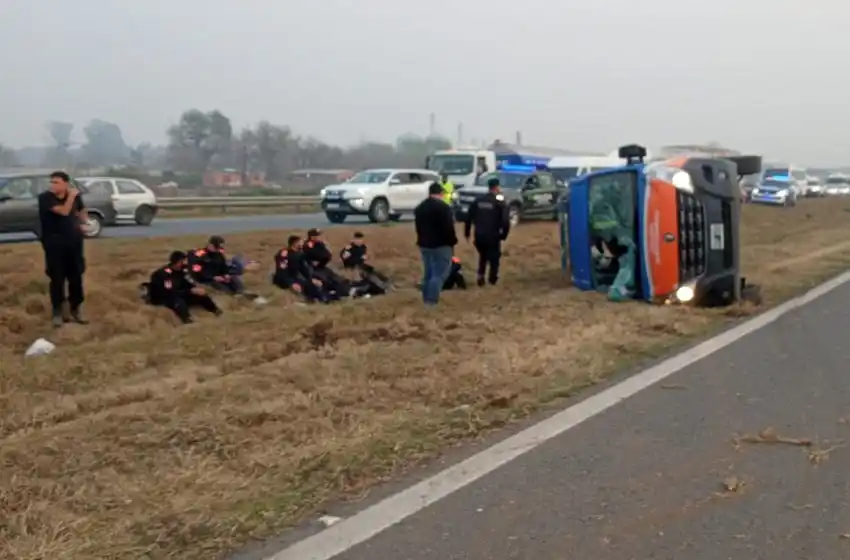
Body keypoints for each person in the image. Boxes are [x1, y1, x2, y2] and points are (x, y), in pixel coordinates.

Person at [37, 171, 89, 327]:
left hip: (74, 243)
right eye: (51, 182)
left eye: (56, 182)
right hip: (54, 244)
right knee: (57, 278)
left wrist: (84, 222)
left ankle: (75, 309)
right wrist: (71, 195)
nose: (52, 185)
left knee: (76, 277)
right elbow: (64, 211)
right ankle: (57, 312)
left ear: (66, 183)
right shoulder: (45, 198)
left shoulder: (76, 197)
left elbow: (81, 210)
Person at [142, 250, 222, 324]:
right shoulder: (164, 274)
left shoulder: (183, 271)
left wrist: (195, 289)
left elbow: (189, 283)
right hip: (165, 298)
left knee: (201, 295)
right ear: (178, 262)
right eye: (184, 260)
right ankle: (187, 320)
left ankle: (216, 311)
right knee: (179, 301)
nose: (186, 262)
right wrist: (190, 291)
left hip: (180, 293)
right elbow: (169, 292)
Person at [414, 182, 458, 305]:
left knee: (428, 273)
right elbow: (448, 228)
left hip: (424, 245)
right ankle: (431, 300)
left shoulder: (420, 207)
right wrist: (453, 242)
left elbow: (418, 227)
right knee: (439, 274)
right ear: (441, 193)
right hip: (441, 245)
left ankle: (426, 298)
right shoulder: (444, 208)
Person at [464, 176, 511, 286]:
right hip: (493, 235)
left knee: (483, 256)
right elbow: (505, 220)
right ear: (497, 187)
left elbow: (468, 217)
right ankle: (492, 279)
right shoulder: (499, 201)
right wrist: (504, 235)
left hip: (479, 235)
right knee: (494, 258)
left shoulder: (478, 200)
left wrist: (467, 233)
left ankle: (480, 276)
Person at [272, 235, 333, 303]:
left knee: (315, 284)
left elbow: (303, 269)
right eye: (300, 242)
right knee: (307, 287)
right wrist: (291, 283)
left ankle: (325, 299)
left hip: (295, 277)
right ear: (295, 243)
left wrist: (311, 279)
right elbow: (281, 271)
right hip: (284, 280)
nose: (302, 243)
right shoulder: (284, 254)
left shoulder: (299, 254)